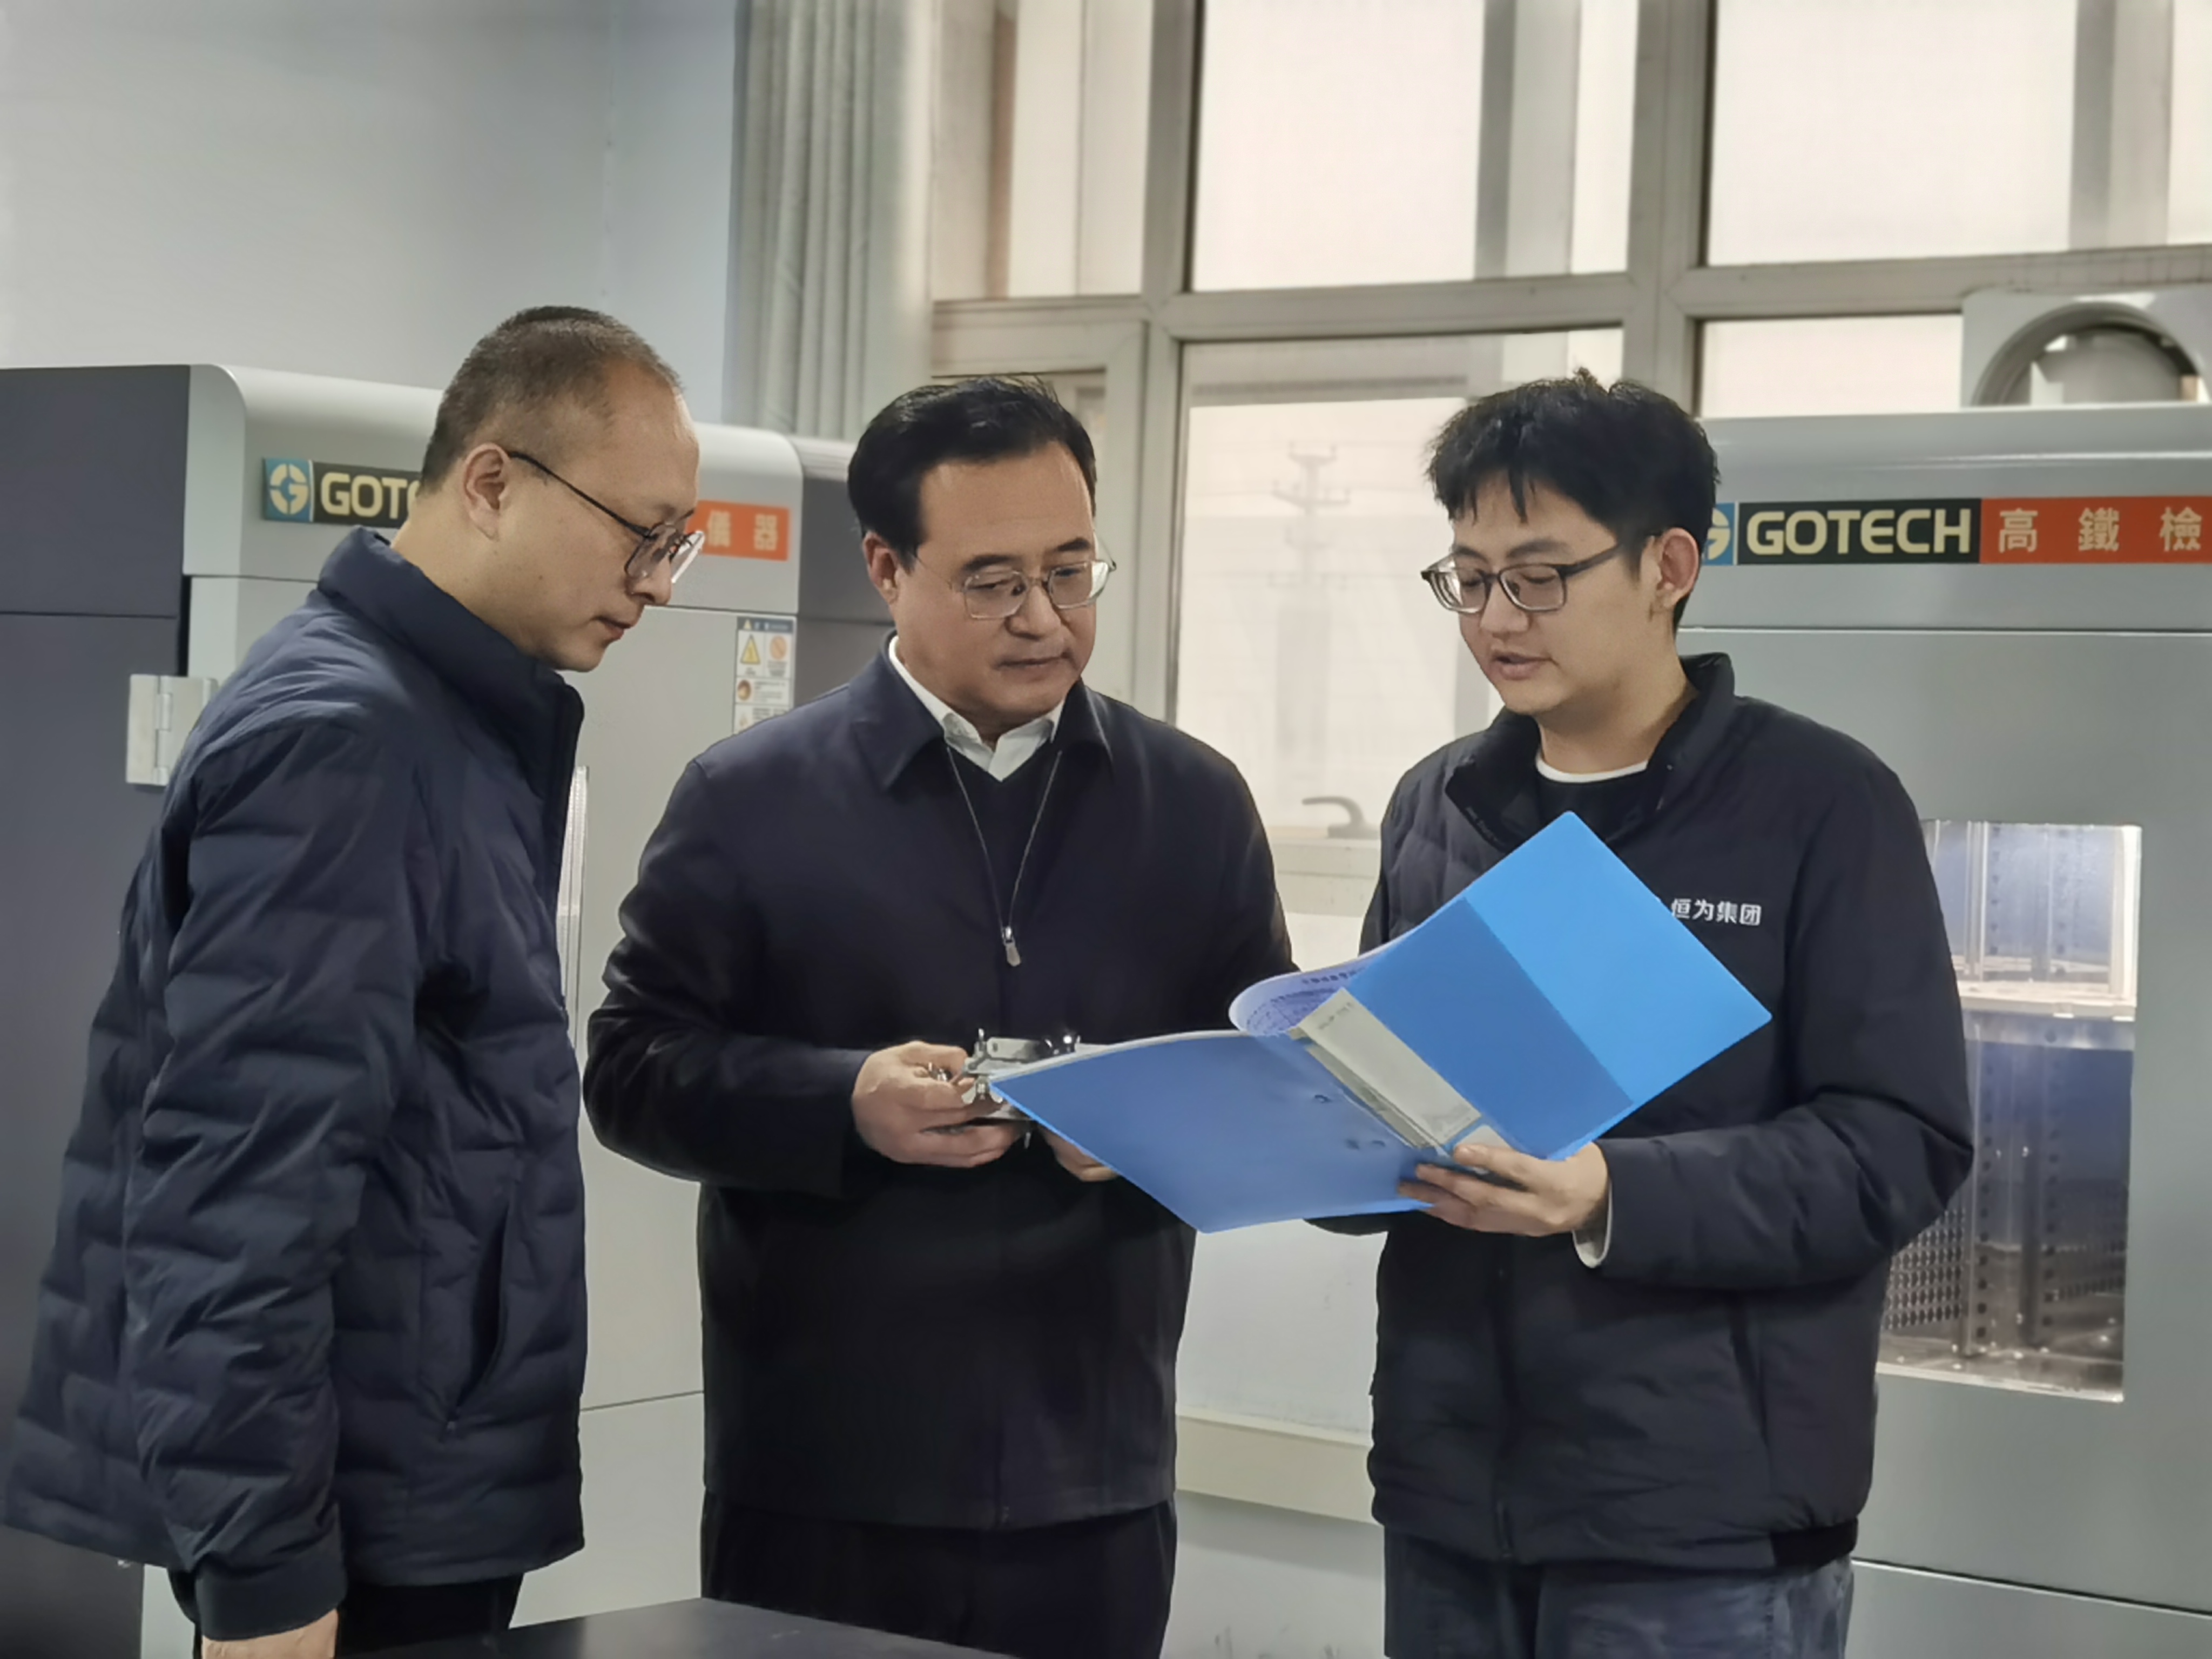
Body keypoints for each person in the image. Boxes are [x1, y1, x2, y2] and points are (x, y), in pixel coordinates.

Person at [3, 307, 702, 1659]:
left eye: (675, 545)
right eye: (641, 534)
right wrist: (266, 1574)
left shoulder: (449, 726)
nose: (658, 585)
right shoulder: (352, 742)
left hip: (410, 1482)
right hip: (347, 1527)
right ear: (491, 482)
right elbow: (237, 1196)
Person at [585, 376, 1293, 1659]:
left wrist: (1144, 1115)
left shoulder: (1192, 804)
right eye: (992, 582)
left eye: (1070, 571)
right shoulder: (750, 798)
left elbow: (1267, 1083)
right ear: (885, 568)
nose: (1044, 618)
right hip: (823, 1479)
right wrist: (842, 1102)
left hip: (1094, 1476)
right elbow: (632, 1071)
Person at [1343, 371, 1973, 1659]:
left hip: (1698, 1521)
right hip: (1451, 1492)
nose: (1495, 619)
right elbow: (1383, 1092)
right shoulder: (1438, 805)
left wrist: (1606, 1194)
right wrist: (1283, 1132)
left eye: (1538, 577)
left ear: (1667, 567)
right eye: (1467, 578)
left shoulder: (1814, 805)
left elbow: (1894, 1144)